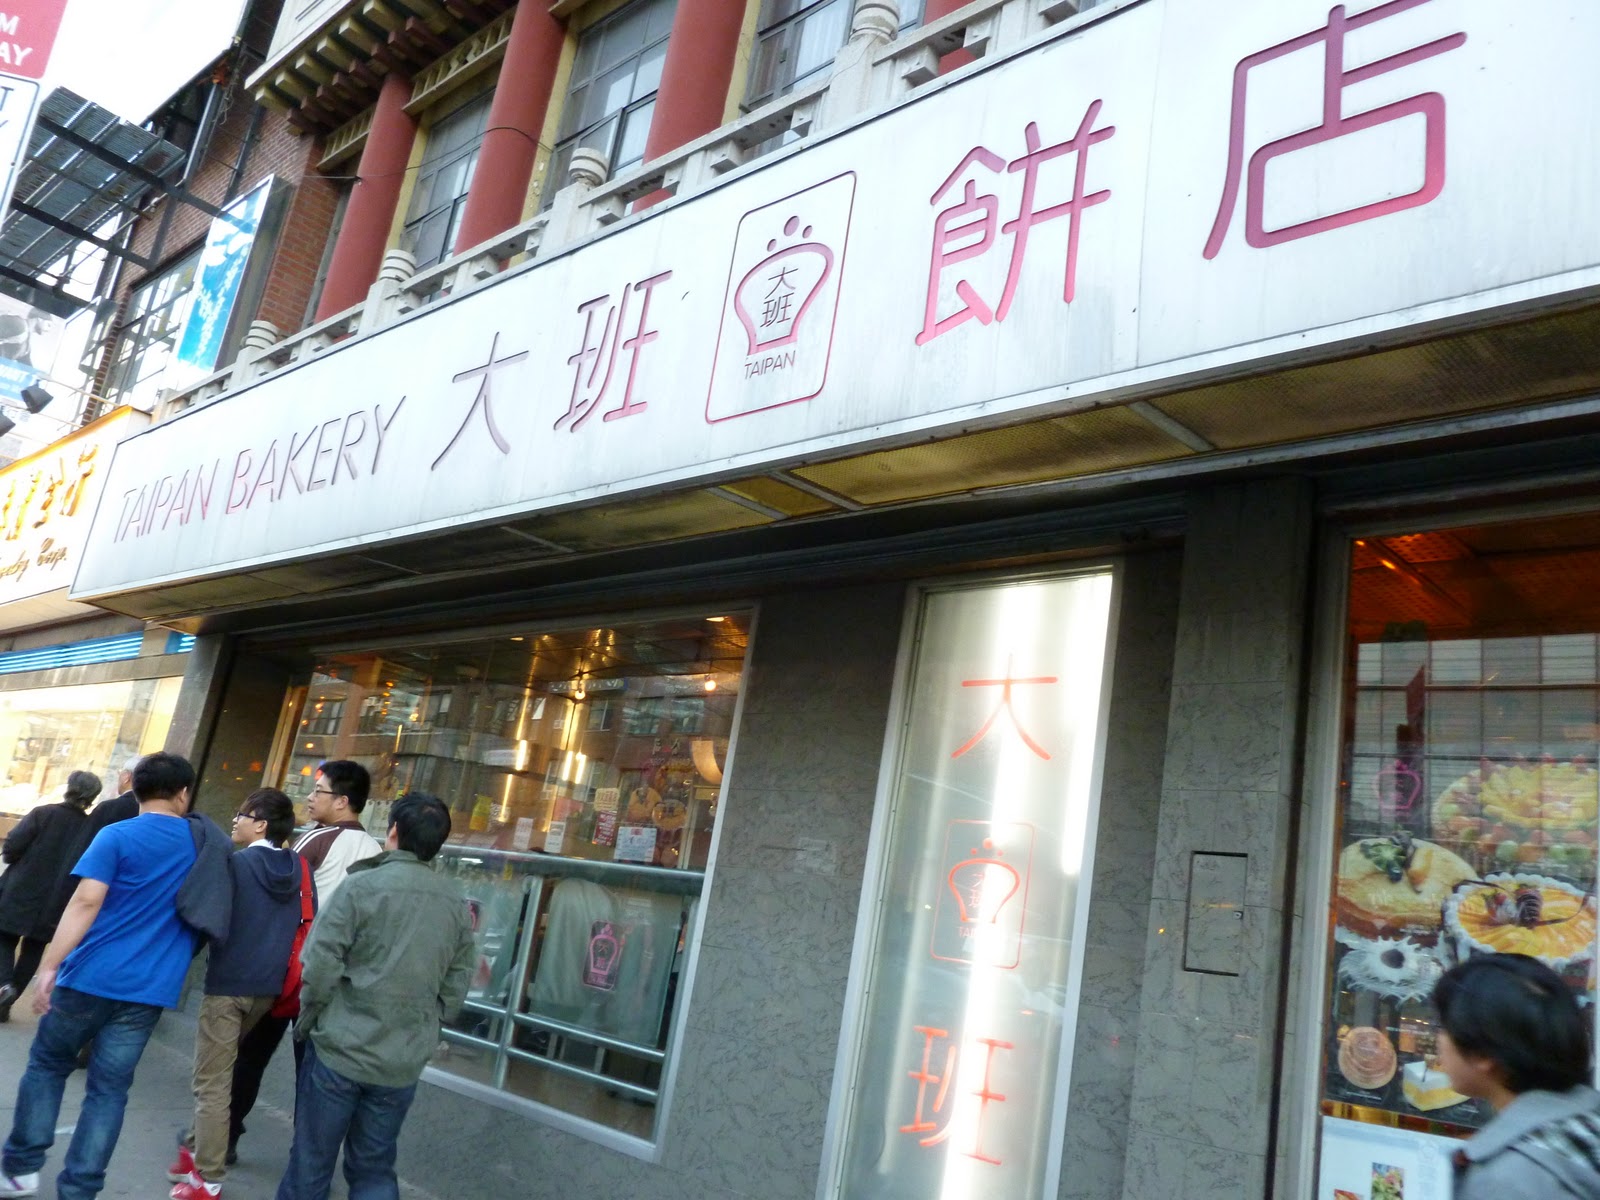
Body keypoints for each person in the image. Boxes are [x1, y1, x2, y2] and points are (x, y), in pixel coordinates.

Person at [0, 753, 202, 1200]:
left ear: (135, 788)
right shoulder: (198, 844)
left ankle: (21, 1169)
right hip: (150, 988)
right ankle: (81, 1188)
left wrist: (49, 966)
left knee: (48, 1066)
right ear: (183, 793)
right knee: (110, 1090)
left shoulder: (116, 834)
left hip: (90, 976)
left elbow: (86, 902)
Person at [275, 793, 474, 1200]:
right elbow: (458, 979)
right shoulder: (454, 901)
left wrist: (311, 1021)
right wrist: (431, 1023)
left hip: (340, 1047)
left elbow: (320, 964)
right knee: (375, 1165)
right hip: (402, 1056)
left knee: (312, 1160)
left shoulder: (361, 885)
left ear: (394, 831)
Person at [227, 761, 380, 1163]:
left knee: (251, 1056)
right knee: (311, 1074)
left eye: (320, 791)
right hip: (337, 980)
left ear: (343, 801)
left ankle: (223, 1138)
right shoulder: (376, 850)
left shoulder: (315, 840)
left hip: (289, 970)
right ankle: (308, 1160)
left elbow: (280, 897)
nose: (310, 798)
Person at [169, 789, 314, 1200]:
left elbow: (206, 913)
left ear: (262, 824)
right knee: (223, 1070)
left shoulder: (234, 865)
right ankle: (194, 1152)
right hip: (270, 989)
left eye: (243, 814)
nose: (236, 820)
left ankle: (209, 1177)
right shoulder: (299, 867)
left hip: (229, 984)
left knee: (211, 1080)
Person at [1433, 954, 1600, 1199]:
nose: (1439, 1040)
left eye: (1443, 1028)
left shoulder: (1508, 1178)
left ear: (1483, 1054)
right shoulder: (1585, 1123)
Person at [0, 772, 102, 1021]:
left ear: (68, 788)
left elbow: (12, 847)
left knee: (4, 937)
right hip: (59, 898)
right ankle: (6, 1002)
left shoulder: (43, 813)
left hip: (22, 889)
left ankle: (4, 985)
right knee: (35, 948)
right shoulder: (90, 829)